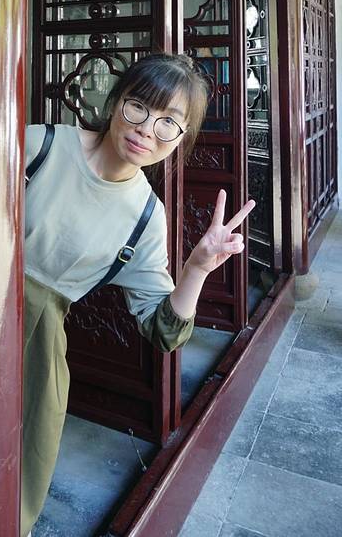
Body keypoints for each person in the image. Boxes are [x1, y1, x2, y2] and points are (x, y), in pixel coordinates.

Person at [22, 52, 255, 535]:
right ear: (115, 102)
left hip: (35, 355)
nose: (147, 129)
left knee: (13, 479)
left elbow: (164, 330)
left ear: (181, 139)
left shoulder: (146, 217)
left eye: (169, 122)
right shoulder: (40, 144)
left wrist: (196, 269)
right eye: (139, 107)